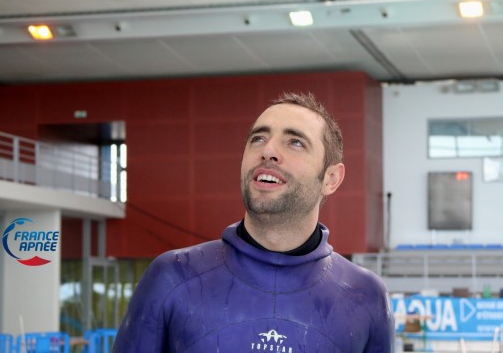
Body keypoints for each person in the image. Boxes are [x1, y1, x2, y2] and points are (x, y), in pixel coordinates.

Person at [113, 92, 394, 352]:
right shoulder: (171, 277)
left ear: (331, 179)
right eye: (258, 138)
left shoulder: (366, 296)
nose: (268, 150)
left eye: (295, 142)